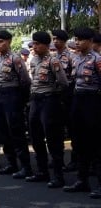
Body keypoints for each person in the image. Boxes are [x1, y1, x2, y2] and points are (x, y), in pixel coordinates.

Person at [25, 31, 68, 188]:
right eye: (33, 44)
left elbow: (63, 82)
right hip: (35, 101)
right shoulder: (33, 60)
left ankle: (58, 176)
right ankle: (42, 171)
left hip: (49, 101)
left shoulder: (53, 60)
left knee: (52, 138)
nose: (34, 47)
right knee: (35, 137)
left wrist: (54, 96)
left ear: (46, 45)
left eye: (37, 44)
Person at [63, 27, 101, 199]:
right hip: (77, 100)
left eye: (81, 39)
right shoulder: (75, 58)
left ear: (90, 41)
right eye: (76, 39)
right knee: (78, 142)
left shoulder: (97, 59)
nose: (77, 42)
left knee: (95, 144)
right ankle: (82, 180)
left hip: (92, 102)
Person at [0, 30, 33, 179]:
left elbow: (25, 81)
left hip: (12, 95)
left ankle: (26, 167)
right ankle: (11, 164)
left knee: (16, 132)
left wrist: (21, 100)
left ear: (9, 42)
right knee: (2, 130)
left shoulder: (15, 58)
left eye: (1, 41)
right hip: (0, 96)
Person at [51, 29, 76, 172]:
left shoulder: (71, 56)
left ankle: (75, 160)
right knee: (56, 130)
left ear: (64, 41)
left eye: (58, 39)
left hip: (69, 96)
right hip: (56, 96)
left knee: (73, 130)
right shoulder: (53, 57)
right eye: (54, 39)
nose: (55, 41)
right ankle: (58, 159)